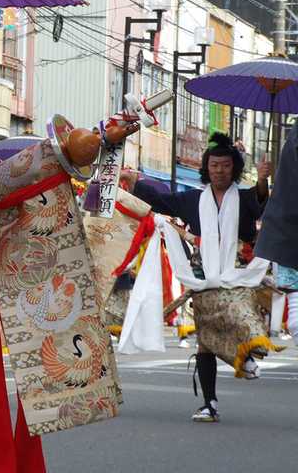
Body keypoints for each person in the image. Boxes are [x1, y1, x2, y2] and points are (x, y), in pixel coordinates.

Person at [121, 132, 272, 423]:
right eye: (214, 165)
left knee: (237, 312)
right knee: (205, 340)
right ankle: (209, 403)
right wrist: (134, 180)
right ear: (207, 167)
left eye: (226, 165)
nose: (219, 170)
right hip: (202, 275)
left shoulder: (243, 198)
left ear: (234, 168)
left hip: (237, 272)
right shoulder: (192, 199)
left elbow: (261, 202)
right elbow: (160, 200)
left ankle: (244, 355)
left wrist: (263, 180)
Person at [254, 120, 298, 344]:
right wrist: (262, 179)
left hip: (286, 238)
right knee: (296, 318)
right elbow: (259, 200)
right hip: (289, 239)